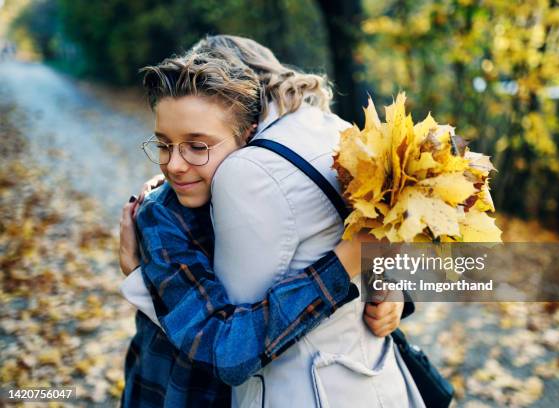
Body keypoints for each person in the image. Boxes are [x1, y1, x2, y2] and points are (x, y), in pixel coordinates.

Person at [119, 44, 409, 407]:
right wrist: (346, 261)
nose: (174, 165)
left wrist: (391, 289)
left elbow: (324, 228)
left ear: (248, 137)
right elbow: (226, 349)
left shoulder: (260, 184)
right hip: (179, 391)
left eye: (196, 146)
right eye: (163, 145)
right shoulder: (162, 217)